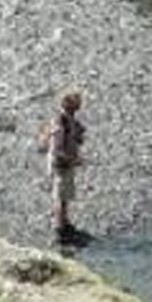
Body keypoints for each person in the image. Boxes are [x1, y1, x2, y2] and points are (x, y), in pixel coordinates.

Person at [46, 90, 86, 243]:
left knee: (66, 194)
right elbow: (57, 147)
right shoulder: (61, 121)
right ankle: (60, 227)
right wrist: (69, 159)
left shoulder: (69, 120)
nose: (80, 105)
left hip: (66, 163)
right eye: (77, 102)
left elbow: (75, 138)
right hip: (62, 164)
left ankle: (65, 221)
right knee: (61, 195)